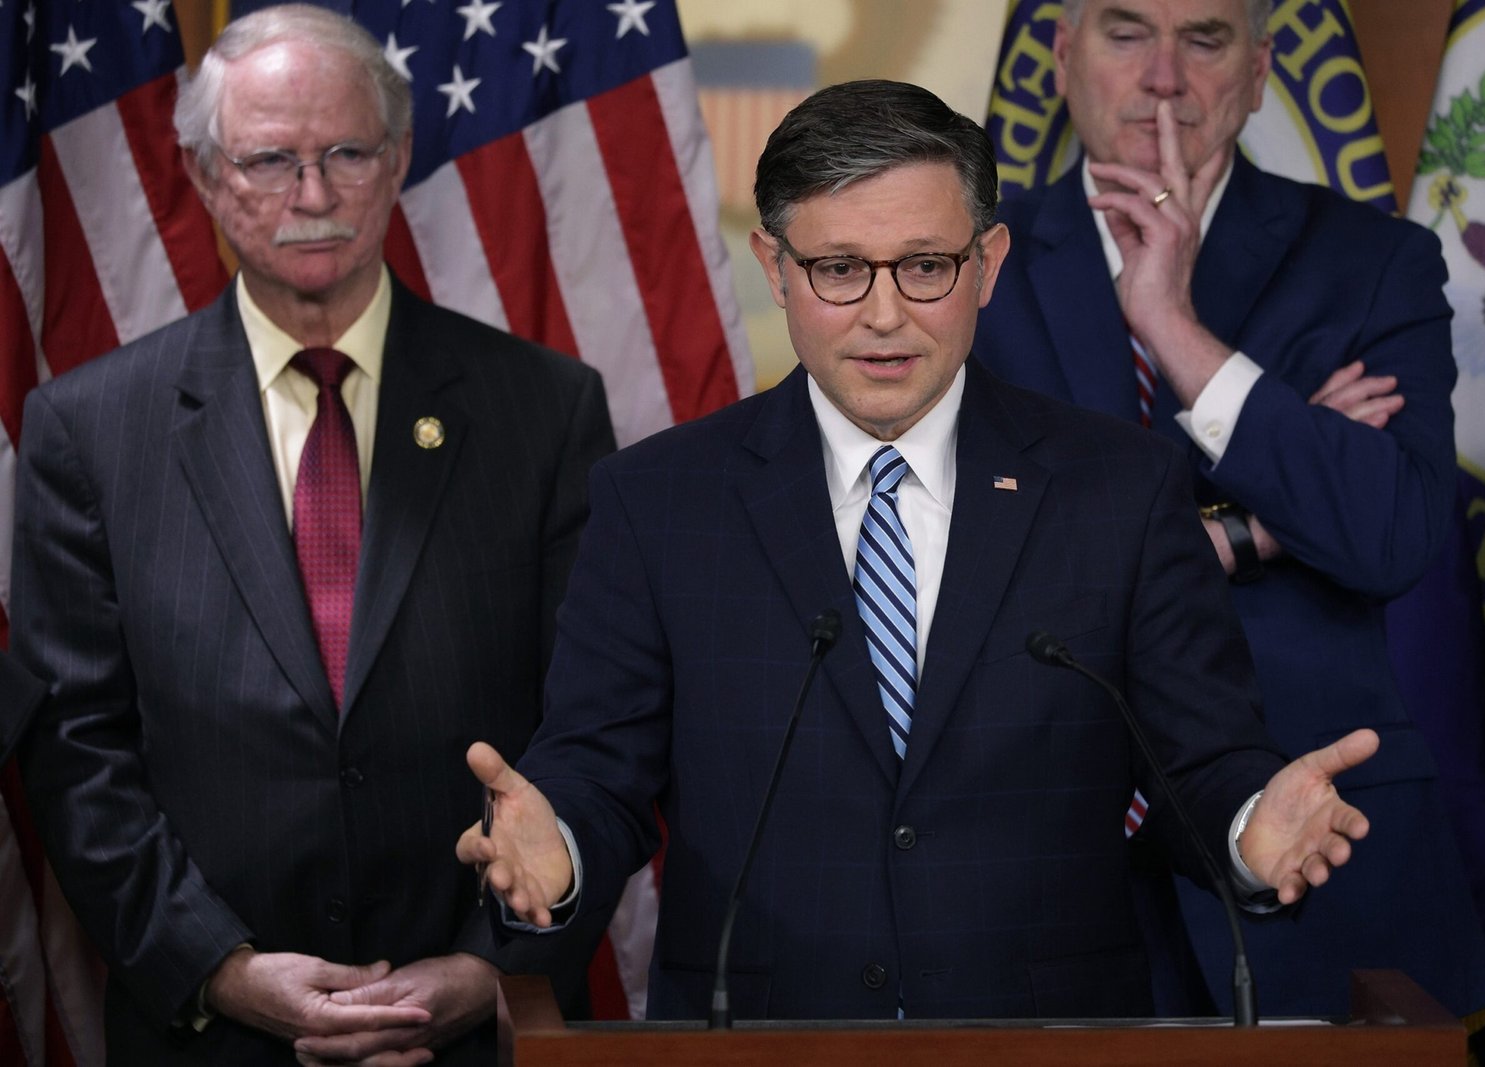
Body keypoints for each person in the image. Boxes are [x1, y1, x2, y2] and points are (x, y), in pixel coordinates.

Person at [455, 78, 1381, 1022]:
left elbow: (1200, 763)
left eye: (925, 266)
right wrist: (558, 842)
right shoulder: (658, 501)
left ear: (987, 263)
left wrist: (1246, 827)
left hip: (1048, 1038)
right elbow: (600, 767)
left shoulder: (1120, 489)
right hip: (759, 1038)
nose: (885, 313)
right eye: (840, 268)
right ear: (775, 267)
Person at [10, 6, 613, 1064]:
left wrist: (486, 967)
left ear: (400, 157)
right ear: (202, 175)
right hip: (206, 1032)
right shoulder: (91, 429)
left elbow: (596, 723)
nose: (314, 197)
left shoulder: (545, 410)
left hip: (480, 1033)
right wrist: (224, 969)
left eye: (345, 153)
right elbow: (76, 753)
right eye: (269, 160)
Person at [970, 0, 1485, 1019]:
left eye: (1203, 39)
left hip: (1318, 860)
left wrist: (1176, 332)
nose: (1163, 76)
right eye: (1126, 33)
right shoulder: (962, 269)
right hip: (1039, 861)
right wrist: (1255, 513)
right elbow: (964, 551)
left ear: (1258, 72)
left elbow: (1387, 533)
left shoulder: (1372, 259)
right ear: (1060, 55)